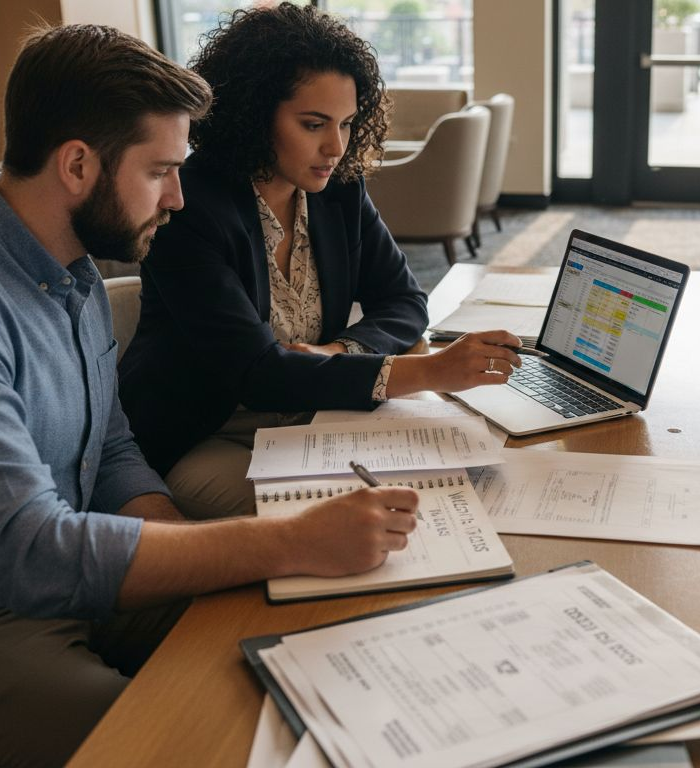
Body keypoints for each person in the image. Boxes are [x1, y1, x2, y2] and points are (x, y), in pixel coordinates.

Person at [0, 25, 419, 768]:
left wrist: (197, 551)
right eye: (161, 172)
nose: (180, 198)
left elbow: (113, 451)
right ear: (80, 165)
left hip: (68, 592)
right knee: (195, 744)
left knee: (309, 636)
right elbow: (31, 554)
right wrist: (283, 536)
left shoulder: (73, 269)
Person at [118, 3, 521, 520]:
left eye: (348, 124)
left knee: (441, 485)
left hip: (313, 416)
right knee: (343, 517)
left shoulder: (337, 190)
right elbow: (257, 374)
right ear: (254, 113)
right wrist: (429, 370)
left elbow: (402, 299)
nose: (335, 147)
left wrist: (342, 348)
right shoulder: (187, 208)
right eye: (313, 124)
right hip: (208, 434)